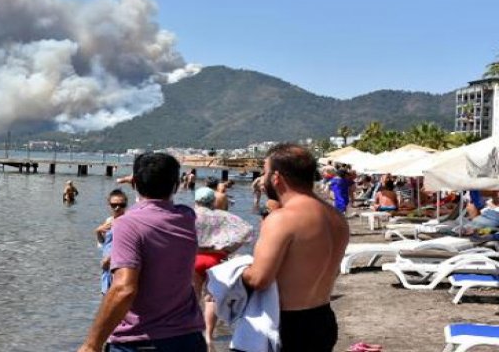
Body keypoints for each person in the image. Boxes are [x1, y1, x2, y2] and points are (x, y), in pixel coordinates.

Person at [77, 153, 205, 352]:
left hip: (141, 340)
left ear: (135, 183)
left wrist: (91, 344)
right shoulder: (187, 217)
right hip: (188, 337)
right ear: (177, 185)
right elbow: (162, 209)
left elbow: (123, 289)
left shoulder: (127, 224)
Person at [241, 143, 349, 352]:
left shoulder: (283, 219)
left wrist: (236, 270)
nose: (263, 180)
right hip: (322, 317)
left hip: (287, 323)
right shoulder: (336, 217)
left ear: (276, 177)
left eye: (264, 172)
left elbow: (259, 279)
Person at [192, 186, 253, 347]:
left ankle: (192, 332)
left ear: (196, 200)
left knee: (193, 296)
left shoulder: (188, 215)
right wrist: (228, 248)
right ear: (213, 201)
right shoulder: (221, 216)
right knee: (211, 298)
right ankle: (209, 336)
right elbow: (247, 230)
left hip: (194, 257)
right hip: (215, 257)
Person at [94, 189, 128, 294]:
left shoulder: (128, 222)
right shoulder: (109, 221)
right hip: (106, 266)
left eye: (121, 205)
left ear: (125, 205)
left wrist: (109, 258)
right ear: (109, 205)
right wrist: (98, 231)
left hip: (118, 266)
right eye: (114, 205)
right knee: (105, 295)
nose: (117, 207)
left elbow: (126, 245)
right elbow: (103, 243)